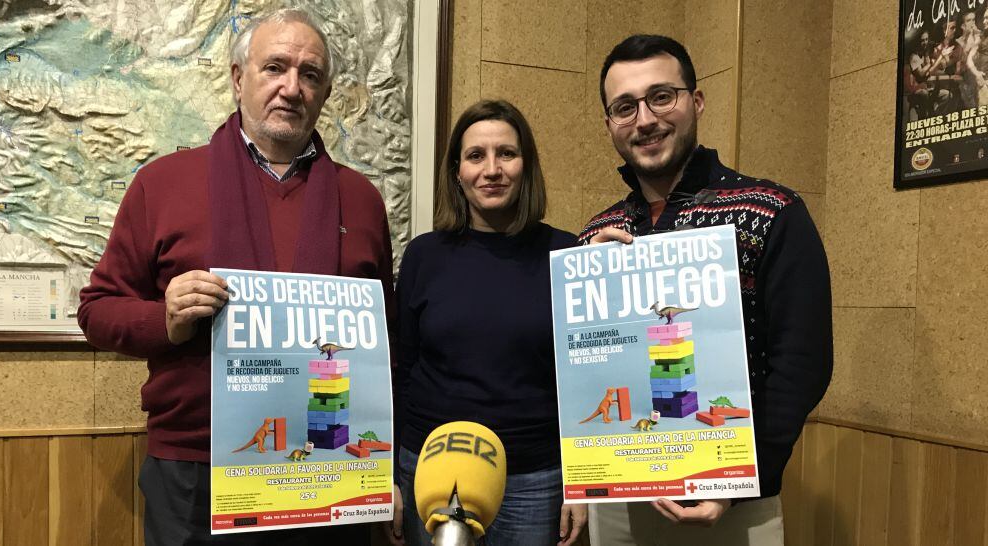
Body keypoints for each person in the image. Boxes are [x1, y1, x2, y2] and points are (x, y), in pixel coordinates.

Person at [77, 8, 394, 545]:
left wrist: (385, 467)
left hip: (330, 467)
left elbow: (385, 344)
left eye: (310, 74)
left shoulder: (360, 199)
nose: (291, 88)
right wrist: (167, 318)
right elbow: (97, 310)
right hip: (199, 467)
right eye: (275, 67)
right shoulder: (163, 183)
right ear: (237, 78)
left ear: (325, 92)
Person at [579, 35, 832, 545]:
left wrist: (739, 482)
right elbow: (580, 369)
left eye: (661, 96)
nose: (645, 119)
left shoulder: (769, 211)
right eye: (624, 107)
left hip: (734, 505)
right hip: (619, 503)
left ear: (696, 101)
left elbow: (803, 361)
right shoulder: (596, 233)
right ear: (609, 125)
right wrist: (589, 283)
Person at [391, 99, 587, 546]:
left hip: (532, 478)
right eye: (476, 155)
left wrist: (583, 482)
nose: (492, 169)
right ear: (457, 171)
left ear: (526, 166)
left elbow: (583, 381)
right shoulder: (424, 255)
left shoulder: (568, 254)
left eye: (507, 154)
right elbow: (402, 372)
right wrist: (388, 477)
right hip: (429, 469)